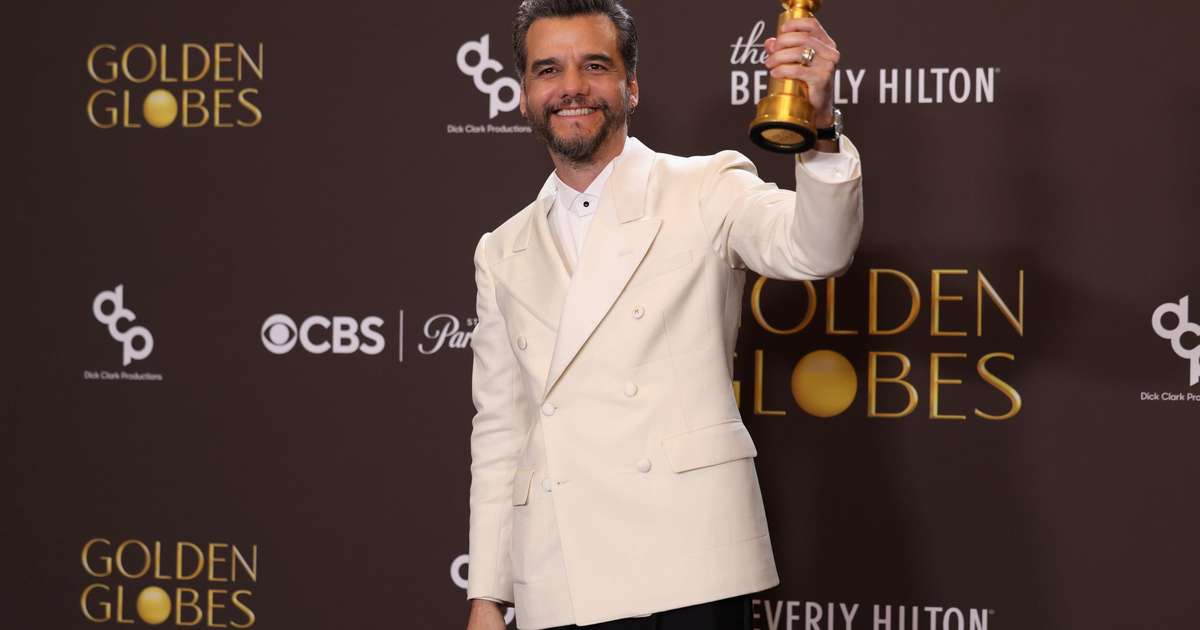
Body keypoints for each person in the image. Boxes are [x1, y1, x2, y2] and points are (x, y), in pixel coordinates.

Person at [465, 1, 862, 628]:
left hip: (688, 569)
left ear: (631, 87)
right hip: (558, 575)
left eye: (595, 66)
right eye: (549, 69)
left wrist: (819, 128)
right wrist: (488, 596)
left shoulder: (706, 187)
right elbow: (501, 432)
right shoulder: (500, 249)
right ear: (523, 94)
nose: (572, 87)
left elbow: (817, 249)